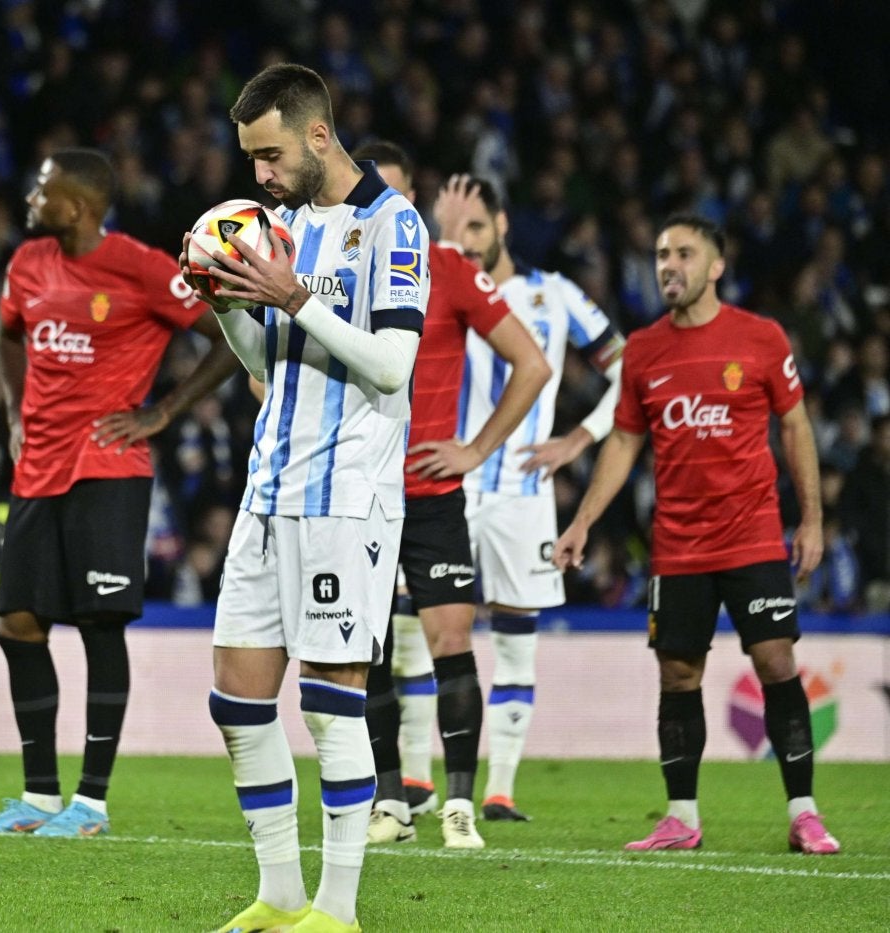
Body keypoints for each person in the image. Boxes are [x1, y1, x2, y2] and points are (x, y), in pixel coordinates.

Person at [198, 65, 424, 933]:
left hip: (346, 496)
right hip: (270, 486)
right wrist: (226, 304)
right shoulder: (284, 225)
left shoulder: (393, 225)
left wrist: (293, 296)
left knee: (331, 704)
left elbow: (392, 367)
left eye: (271, 155)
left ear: (318, 135)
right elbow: (267, 361)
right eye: (251, 159)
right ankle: (280, 894)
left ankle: (338, 907)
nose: (260, 174)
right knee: (237, 698)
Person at [0, 148, 238, 838]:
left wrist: (163, 411)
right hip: (38, 467)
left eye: (43, 190)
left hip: (107, 467)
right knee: (18, 625)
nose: (32, 199)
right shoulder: (29, 263)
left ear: (78, 207)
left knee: (99, 624)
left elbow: (231, 338)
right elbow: (7, 335)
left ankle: (90, 804)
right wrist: (15, 412)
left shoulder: (141, 267)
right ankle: (39, 797)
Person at [553, 213, 840, 855]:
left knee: (775, 660)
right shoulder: (644, 350)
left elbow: (795, 426)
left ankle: (804, 813)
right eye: (661, 254)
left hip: (753, 535)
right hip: (679, 545)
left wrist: (813, 520)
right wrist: (583, 520)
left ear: (716, 267)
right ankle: (681, 816)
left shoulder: (761, 338)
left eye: (683, 253)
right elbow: (625, 441)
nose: (668, 265)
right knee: (678, 674)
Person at [349, 143, 550, 849]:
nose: (385, 209)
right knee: (366, 649)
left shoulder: (450, 270)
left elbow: (532, 364)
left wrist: (476, 449)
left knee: (452, 640)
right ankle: (388, 803)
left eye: (397, 196)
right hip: (357, 493)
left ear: (413, 203)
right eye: (373, 196)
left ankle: (458, 805)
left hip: (431, 494)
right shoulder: (334, 273)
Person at [424, 174, 626, 823]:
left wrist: (580, 437)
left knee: (515, 640)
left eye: (478, 227)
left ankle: (500, 790)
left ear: (503, 225)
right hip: (442, 485)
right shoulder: (432, 281)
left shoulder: (555, 295)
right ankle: (416, 781)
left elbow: (628, 371)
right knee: (414, 635)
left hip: (521, 494)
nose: (468, 241)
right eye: (458, 228)